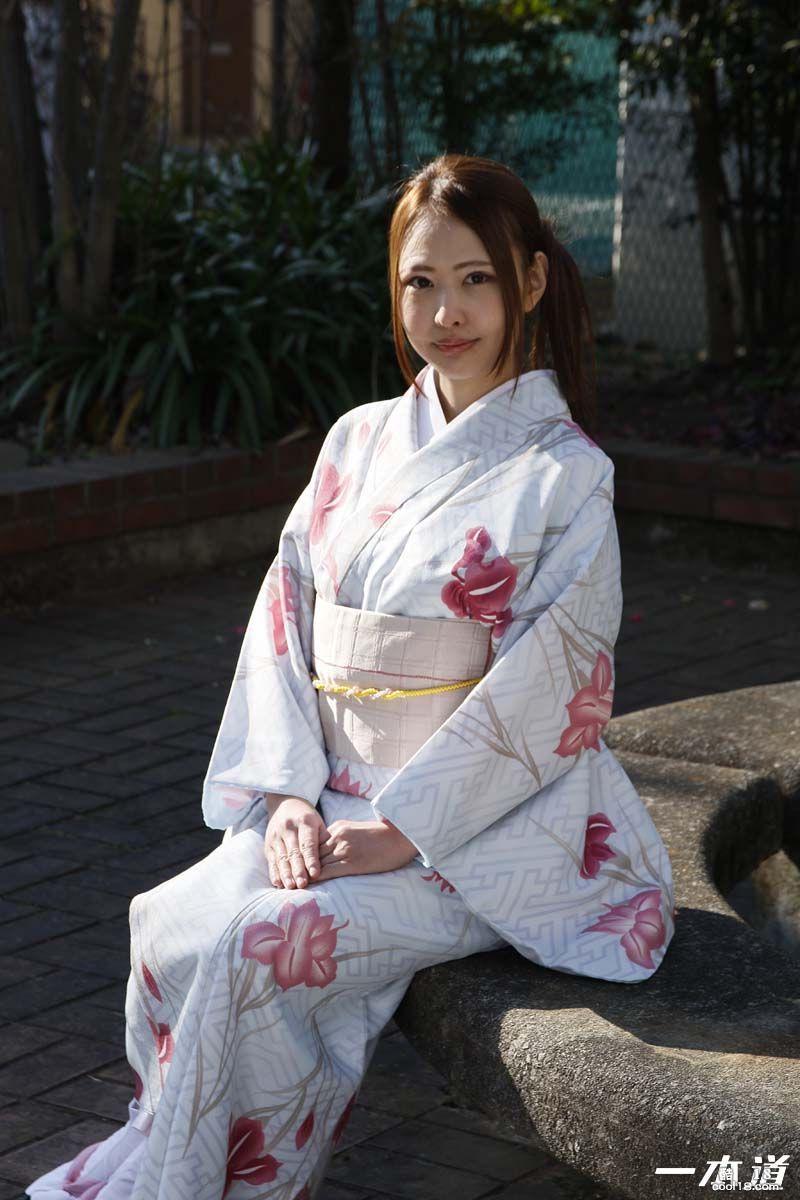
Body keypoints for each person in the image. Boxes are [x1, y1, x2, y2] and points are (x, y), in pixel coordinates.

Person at [26, 152, 675, 1200]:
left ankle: (213, 1184)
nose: (445, 312)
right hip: (327, 798)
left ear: (530, 281)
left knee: (263, 946)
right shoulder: (355, 440)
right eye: (421, 282)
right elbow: (285, 621)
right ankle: (169, 1147)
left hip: (484, 832)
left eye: (475, 278)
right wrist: (286, 794)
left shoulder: (567, 476)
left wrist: (403, 830)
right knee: (170, 921)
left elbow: (550, 687)